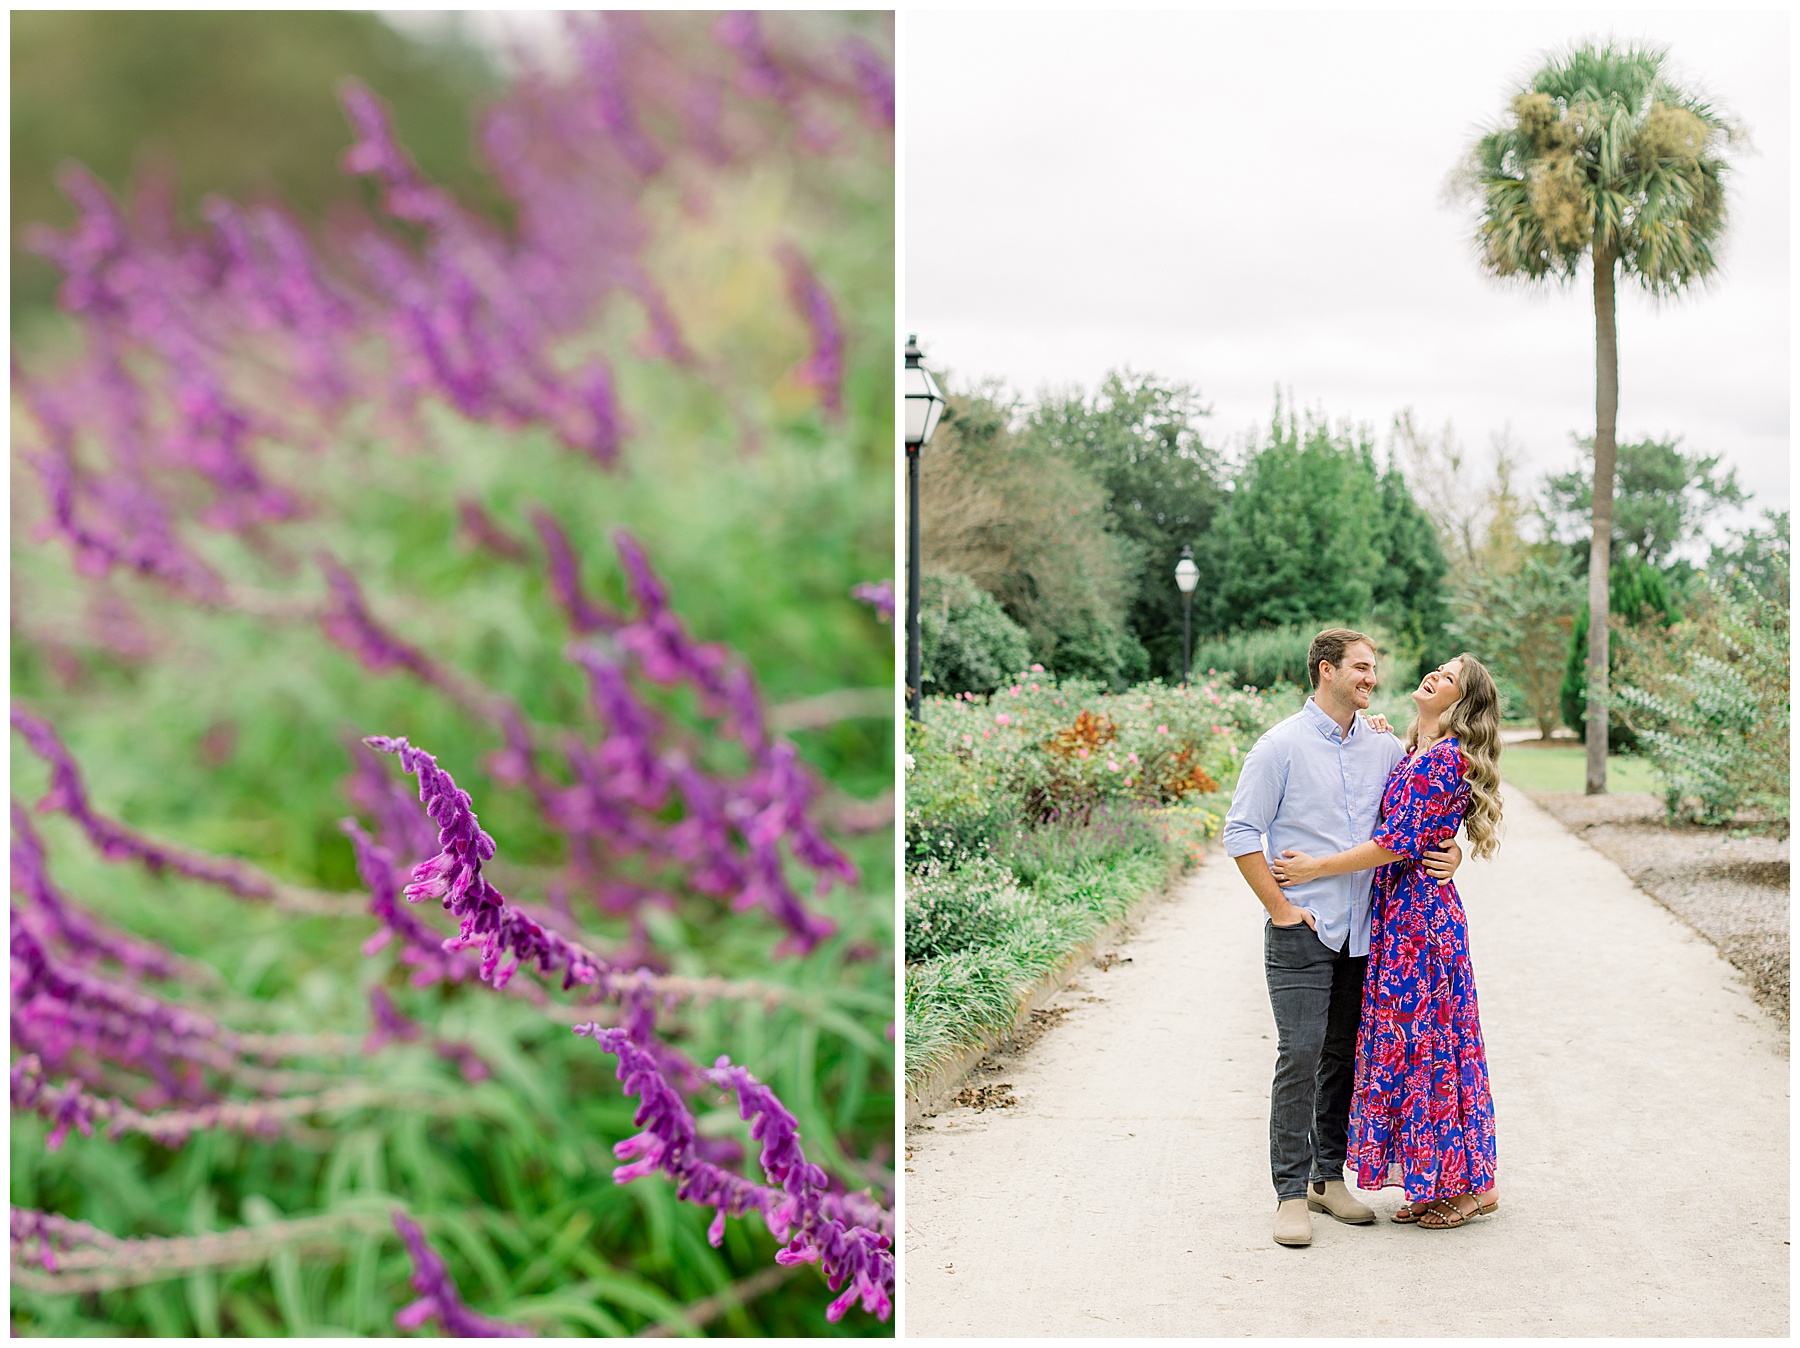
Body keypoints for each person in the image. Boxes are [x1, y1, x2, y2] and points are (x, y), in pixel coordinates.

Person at [1223, 628, 1463, 1249]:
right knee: (1299, 1057)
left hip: (1367, 934)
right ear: (1326, 670)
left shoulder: (1383, 748)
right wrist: (1279, 908)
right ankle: (1288, 1194)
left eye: (1375, 667)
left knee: (1343, 1060)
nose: (1372, 678)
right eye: (1361, 667)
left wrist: (1452, 851)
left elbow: (1418, 819)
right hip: (1303, 928)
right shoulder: (1279, 747)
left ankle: (1329, 1180)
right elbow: (1241, 831)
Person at [1271, 652, 1503, 1231]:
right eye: (1440, 669)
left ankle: (1477, 1187)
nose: (1435, 677)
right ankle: (1437, 1180)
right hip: (1395, 922)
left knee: (1438, 1052)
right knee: (1415, 1054)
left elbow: (1397, 842)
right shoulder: (1409, 751)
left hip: (1422, 929)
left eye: (1449, 678)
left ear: (1461, 702)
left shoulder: (1443, 760)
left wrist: (1317, 868)